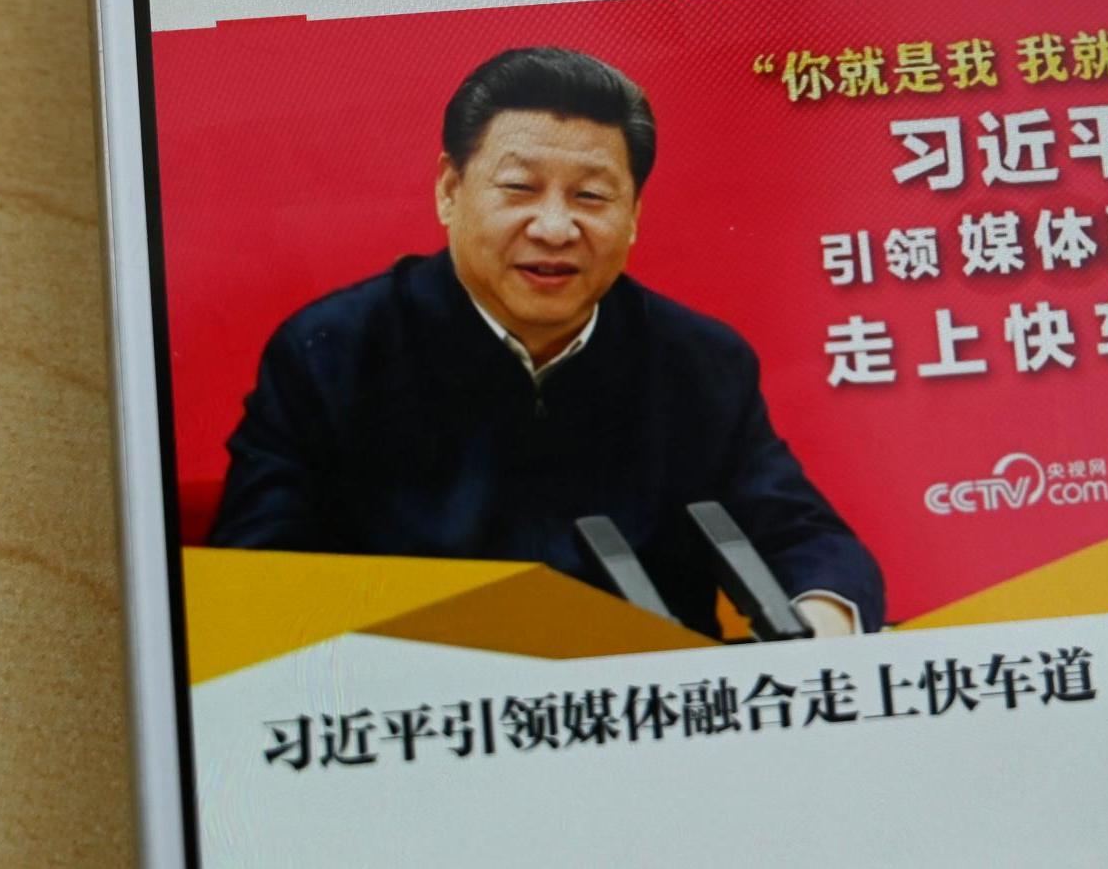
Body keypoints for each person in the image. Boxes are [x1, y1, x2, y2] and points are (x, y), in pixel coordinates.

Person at [208, 46, 884, 637]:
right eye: (519, 188)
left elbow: (804, 537)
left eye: (591, 197)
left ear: (634, 213)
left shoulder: (701, 361)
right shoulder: (331, 352)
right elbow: (257, 580)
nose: (555, 228)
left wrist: (822, 623)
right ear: (450, 190)